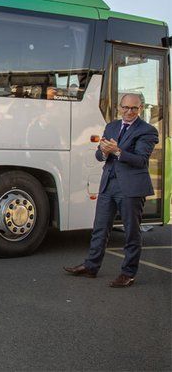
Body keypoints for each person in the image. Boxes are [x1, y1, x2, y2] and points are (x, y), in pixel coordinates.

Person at [64, 93, 158, 287]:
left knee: (131, 232)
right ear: (119, 107)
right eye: (125, 107)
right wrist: (104, 151)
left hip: (131, 188)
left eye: (134, 108)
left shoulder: (148, 130)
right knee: (100, 228)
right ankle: (91, 266)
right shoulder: (112, 126)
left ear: (140, 108)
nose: (129, 111)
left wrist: (117, 151)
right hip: (108, 185)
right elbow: (99, 156)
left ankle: (128, 273)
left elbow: (141, 160)